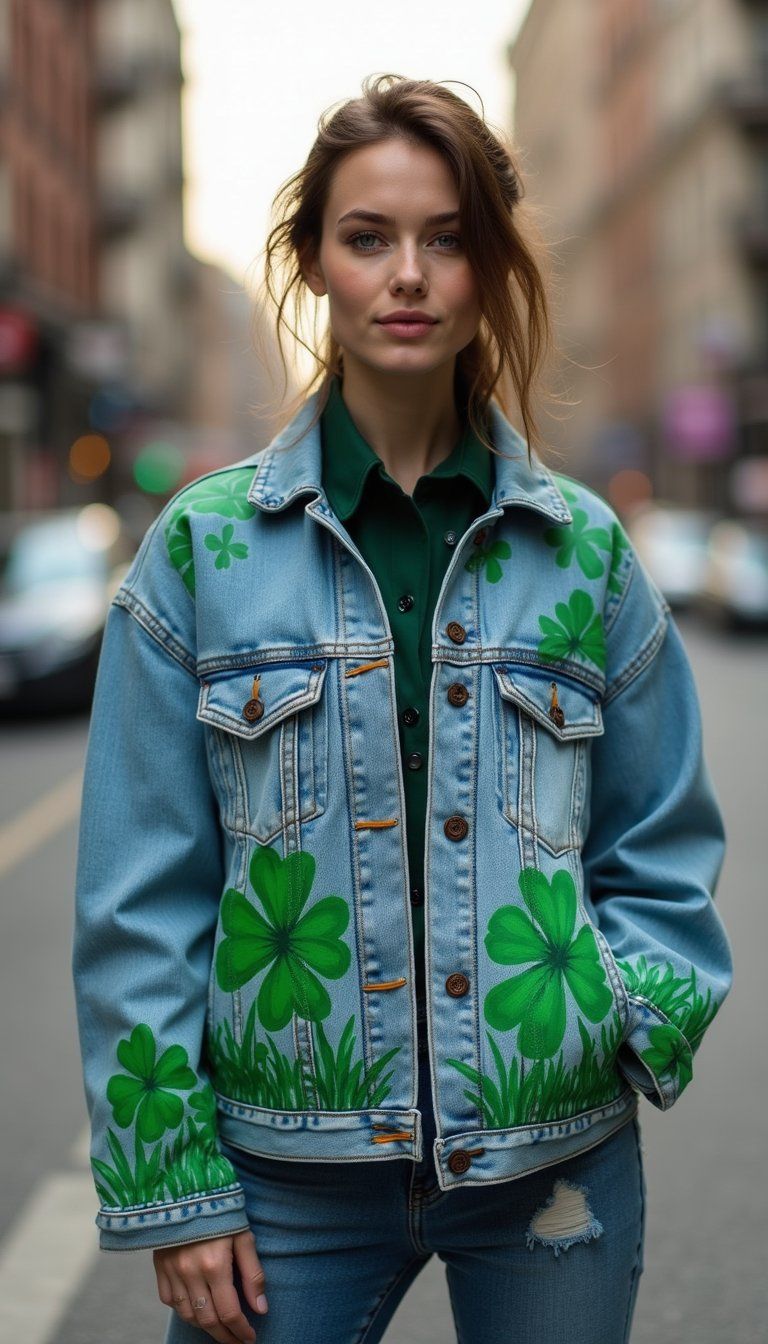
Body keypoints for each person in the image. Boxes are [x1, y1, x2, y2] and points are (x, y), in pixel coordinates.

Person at [72, 74, 733, 1344]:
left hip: (553, 1166)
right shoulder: (204, 552)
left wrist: (615, 1023)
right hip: (285, 1181)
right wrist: (174, 1186)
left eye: (447, 238)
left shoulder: (586, 554)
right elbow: (136, 897)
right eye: (369, 237)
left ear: (490, 269)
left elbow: (664, 841)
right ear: (312, 261)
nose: (409, 274)